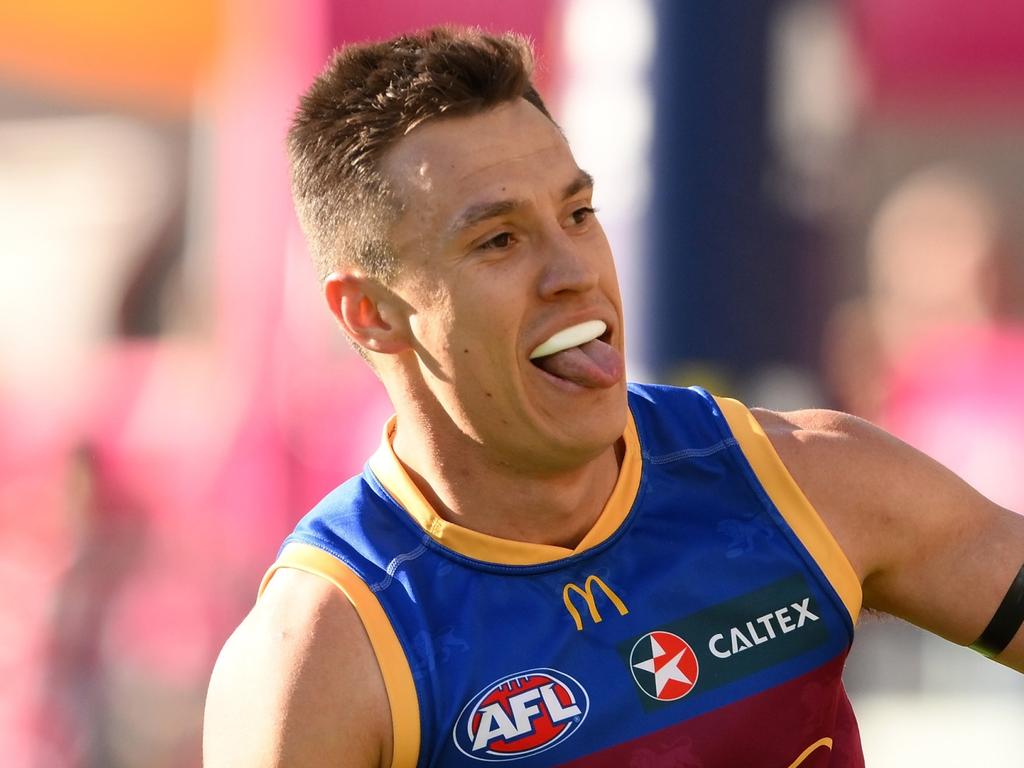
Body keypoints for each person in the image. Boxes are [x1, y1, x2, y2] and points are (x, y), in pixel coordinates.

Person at [203, 27, 1024, 768]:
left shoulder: (801, 484)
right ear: (371, 315)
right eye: (500, 240)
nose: (576, 272)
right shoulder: (326, 653)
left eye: (579, 213)